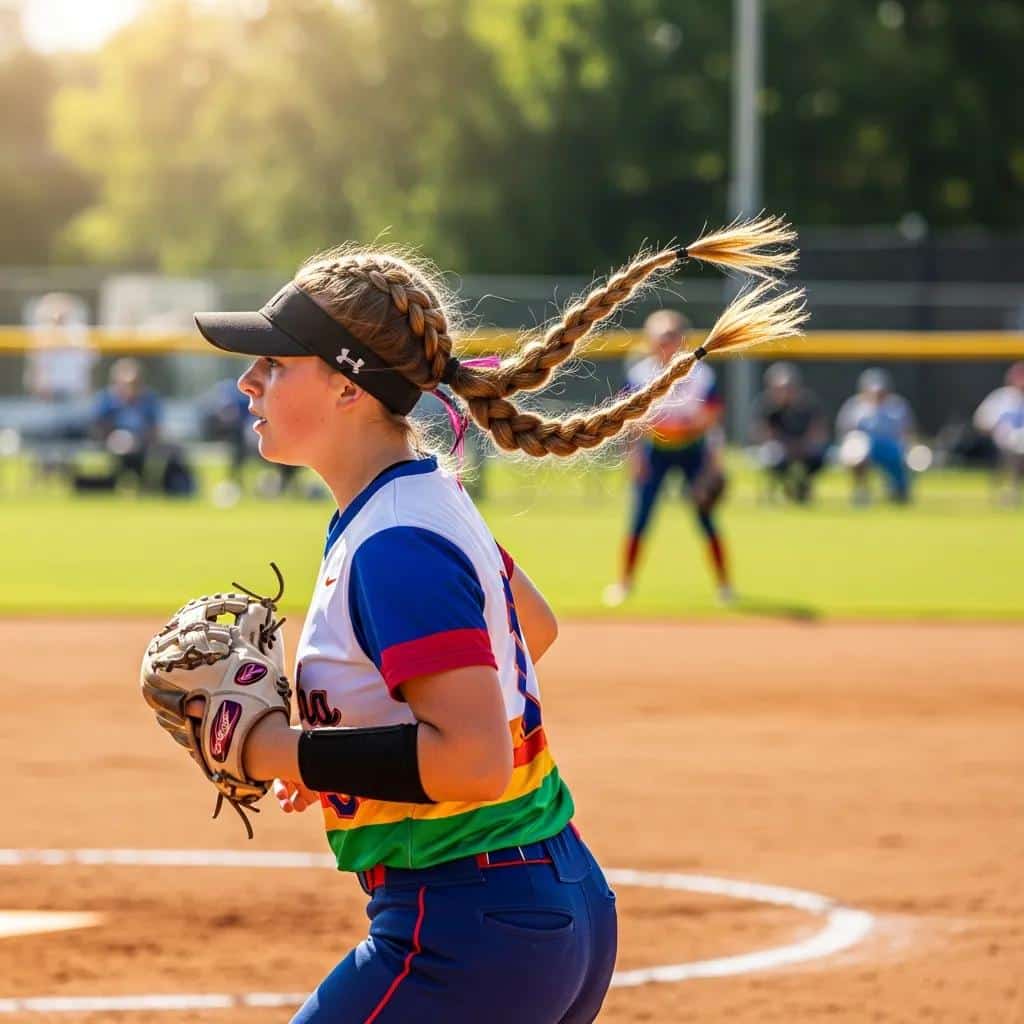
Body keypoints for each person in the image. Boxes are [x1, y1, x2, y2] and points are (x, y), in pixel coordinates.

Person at [189, 217, 806, 1023]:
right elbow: (532, 629)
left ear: (347, 384)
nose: (249, 383)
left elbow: (475, 761)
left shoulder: (394, 541)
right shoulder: (422, 495)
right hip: (544, 902)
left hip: (466, 927)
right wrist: (348, 757)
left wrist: (277, 750)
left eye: (274, 363)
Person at [603, 309, 733, 608]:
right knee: (640, 518)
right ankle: (624, 583)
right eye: (660, 338)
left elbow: (712, 416)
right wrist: (634, 456)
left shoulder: (699, 373)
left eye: (672, 337)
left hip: (692, 449)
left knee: (706, 516)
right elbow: (630, 420)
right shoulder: (641, 373)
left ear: (682, 341)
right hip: (656, 451)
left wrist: (713, 462)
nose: (666, 344)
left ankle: (724, 584)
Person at [836, 367, 915, 504]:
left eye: (880, 391)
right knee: (857, 451)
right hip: (864, 448)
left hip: (891, 448)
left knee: (901, 457)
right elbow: (845, 432)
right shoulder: (854, 406)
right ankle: (861, 491)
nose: (877, 394)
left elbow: (907, 432)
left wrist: (908, 449)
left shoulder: (897, 406)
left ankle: (899, 490)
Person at [752, 361, 828, 503]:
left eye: (789, 388)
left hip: (802, 446)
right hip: (779, 448)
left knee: (817, 456)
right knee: (773, 456)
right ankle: (787, 487)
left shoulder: (807, 404)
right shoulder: (766, 406)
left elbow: (818, 432)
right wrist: (787, 445)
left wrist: (801, 445)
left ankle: (802, 486)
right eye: (781, 388)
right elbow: (762, 435)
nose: (785, 392)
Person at [90, 357, 164, 488]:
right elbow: (98, 426)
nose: (130, 388)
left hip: (141, 447)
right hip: (111, 446)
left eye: (134, 384)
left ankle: (146, 484)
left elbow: (155, 427)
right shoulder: (106, 399)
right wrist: (113, 438)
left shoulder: (149, 400)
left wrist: (139, 440)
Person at [973, 361, 1024, 502]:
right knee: (1013, 451)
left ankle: (1011, 491)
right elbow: (981, 420)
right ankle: (1003, 491)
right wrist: (995, 430)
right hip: (1005, 441)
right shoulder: (1001, 397)